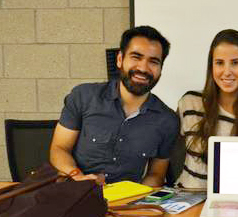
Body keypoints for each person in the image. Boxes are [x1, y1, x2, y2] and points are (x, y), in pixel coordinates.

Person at [50, 26, 179, 186]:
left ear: (160, 69)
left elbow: (156, 174)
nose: (143, 68)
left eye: (153, 62)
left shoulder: (167, 120)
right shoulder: (84, 96)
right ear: (119, 59)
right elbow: (59, 149)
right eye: (136, 57)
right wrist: (78, 177)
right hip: (75, 193)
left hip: (126, 205)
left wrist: (139, 199)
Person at [175, 29, 238, 189]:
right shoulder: (189, 103)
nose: (227, 72)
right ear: (211, 66)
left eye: (235, 63)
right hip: (185, 201)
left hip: (234, 206)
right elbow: (171, 157)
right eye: (219, 63)